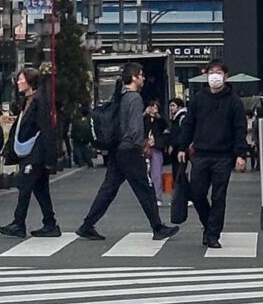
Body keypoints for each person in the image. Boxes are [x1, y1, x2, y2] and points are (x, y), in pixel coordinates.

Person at [77, 61, 179, 243]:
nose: (144, 78)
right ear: (134, 77)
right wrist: (141, 146)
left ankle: (87, 225)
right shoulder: (134, 98)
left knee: (109, 189)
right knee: (145, 189)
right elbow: (133, 129)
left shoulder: (120, 96)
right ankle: (157, 227)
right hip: (130, 151)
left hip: (117, 149)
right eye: (141, 75)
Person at [177, 60, 248, 249]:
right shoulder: (198, 99)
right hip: (199, 153)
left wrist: (241, 154)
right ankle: (208, 226)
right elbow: (188, 124)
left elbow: (240, 129)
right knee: (197, 194)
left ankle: (213, 234)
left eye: (218, 72)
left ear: (225, 76)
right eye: (211, 72)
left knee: (219, 197)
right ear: (206, 75)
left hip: (223, 156)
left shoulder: (234, 101)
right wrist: (182, 147)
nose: (214, 76)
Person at [0, 67, 60, 239]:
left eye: (21, 79)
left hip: (37, 153)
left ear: (30, 82)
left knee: (25, 186)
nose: (18, 82)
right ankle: (50, 223)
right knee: (40, 189)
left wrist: (50, 157)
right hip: (32, 152)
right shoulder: (28, 100)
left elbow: (46, 129)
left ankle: (19, 223)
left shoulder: (39, 101)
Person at [143, 99, 166, 197]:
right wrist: (144, 114)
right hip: (144, 147)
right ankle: (147, 195)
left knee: (157, 173)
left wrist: (156, 140)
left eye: (156, 108)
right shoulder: (144, 119)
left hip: (156, 147)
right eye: (152, 107)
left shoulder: (161, 121)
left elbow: (165, 133)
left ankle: (157, 196)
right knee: (144, 173)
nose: (153, 110)